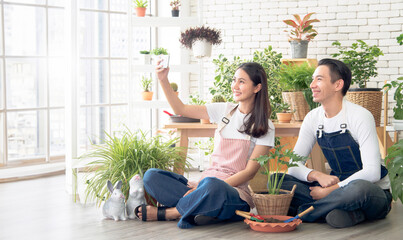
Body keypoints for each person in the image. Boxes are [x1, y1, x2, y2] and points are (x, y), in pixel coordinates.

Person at [135, 62, 275, 229]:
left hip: (232, 193)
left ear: (257, 87)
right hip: (205, 184)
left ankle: (170, 213)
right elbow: (180, 108)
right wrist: (163, 80)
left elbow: (249, 172)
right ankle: (200, 208)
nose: (235, 86)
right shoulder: (224, 110)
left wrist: (207, 186)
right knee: (151, 176)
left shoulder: (264, 126)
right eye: (234, 80)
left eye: (242, 82)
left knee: (213, 186)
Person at [279, 58, 392, 228]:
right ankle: (350, 213)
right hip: (334, 187)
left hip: (370, 192)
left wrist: (330, 191)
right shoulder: (312, 118)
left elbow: (373, 172)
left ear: (338, 85)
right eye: (312, 79)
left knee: (359, 189)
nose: (311, 85)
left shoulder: (360, 116)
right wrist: (317, 175)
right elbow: (293, 165)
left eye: (319, 79)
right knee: (278, 180)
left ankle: (305, 213)